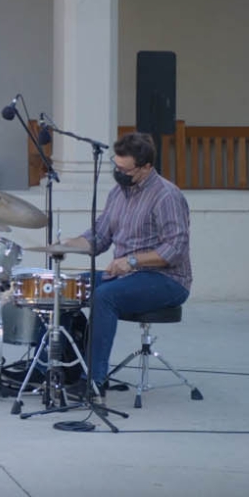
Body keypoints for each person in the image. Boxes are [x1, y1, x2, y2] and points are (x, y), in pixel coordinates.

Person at [60, 132, 191, 396]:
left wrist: (131, 261)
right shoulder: (117, 193)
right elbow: (99, 238)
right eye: (115, 166)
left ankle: (94, 380)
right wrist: (67, 245)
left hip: (167, 280)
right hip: (125, 276)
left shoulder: (166, 196)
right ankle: (63, 369)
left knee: (104, 296)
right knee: (63, 288)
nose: (118, 173)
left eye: (125, 169)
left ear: (146, 168)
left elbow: (174, 249)